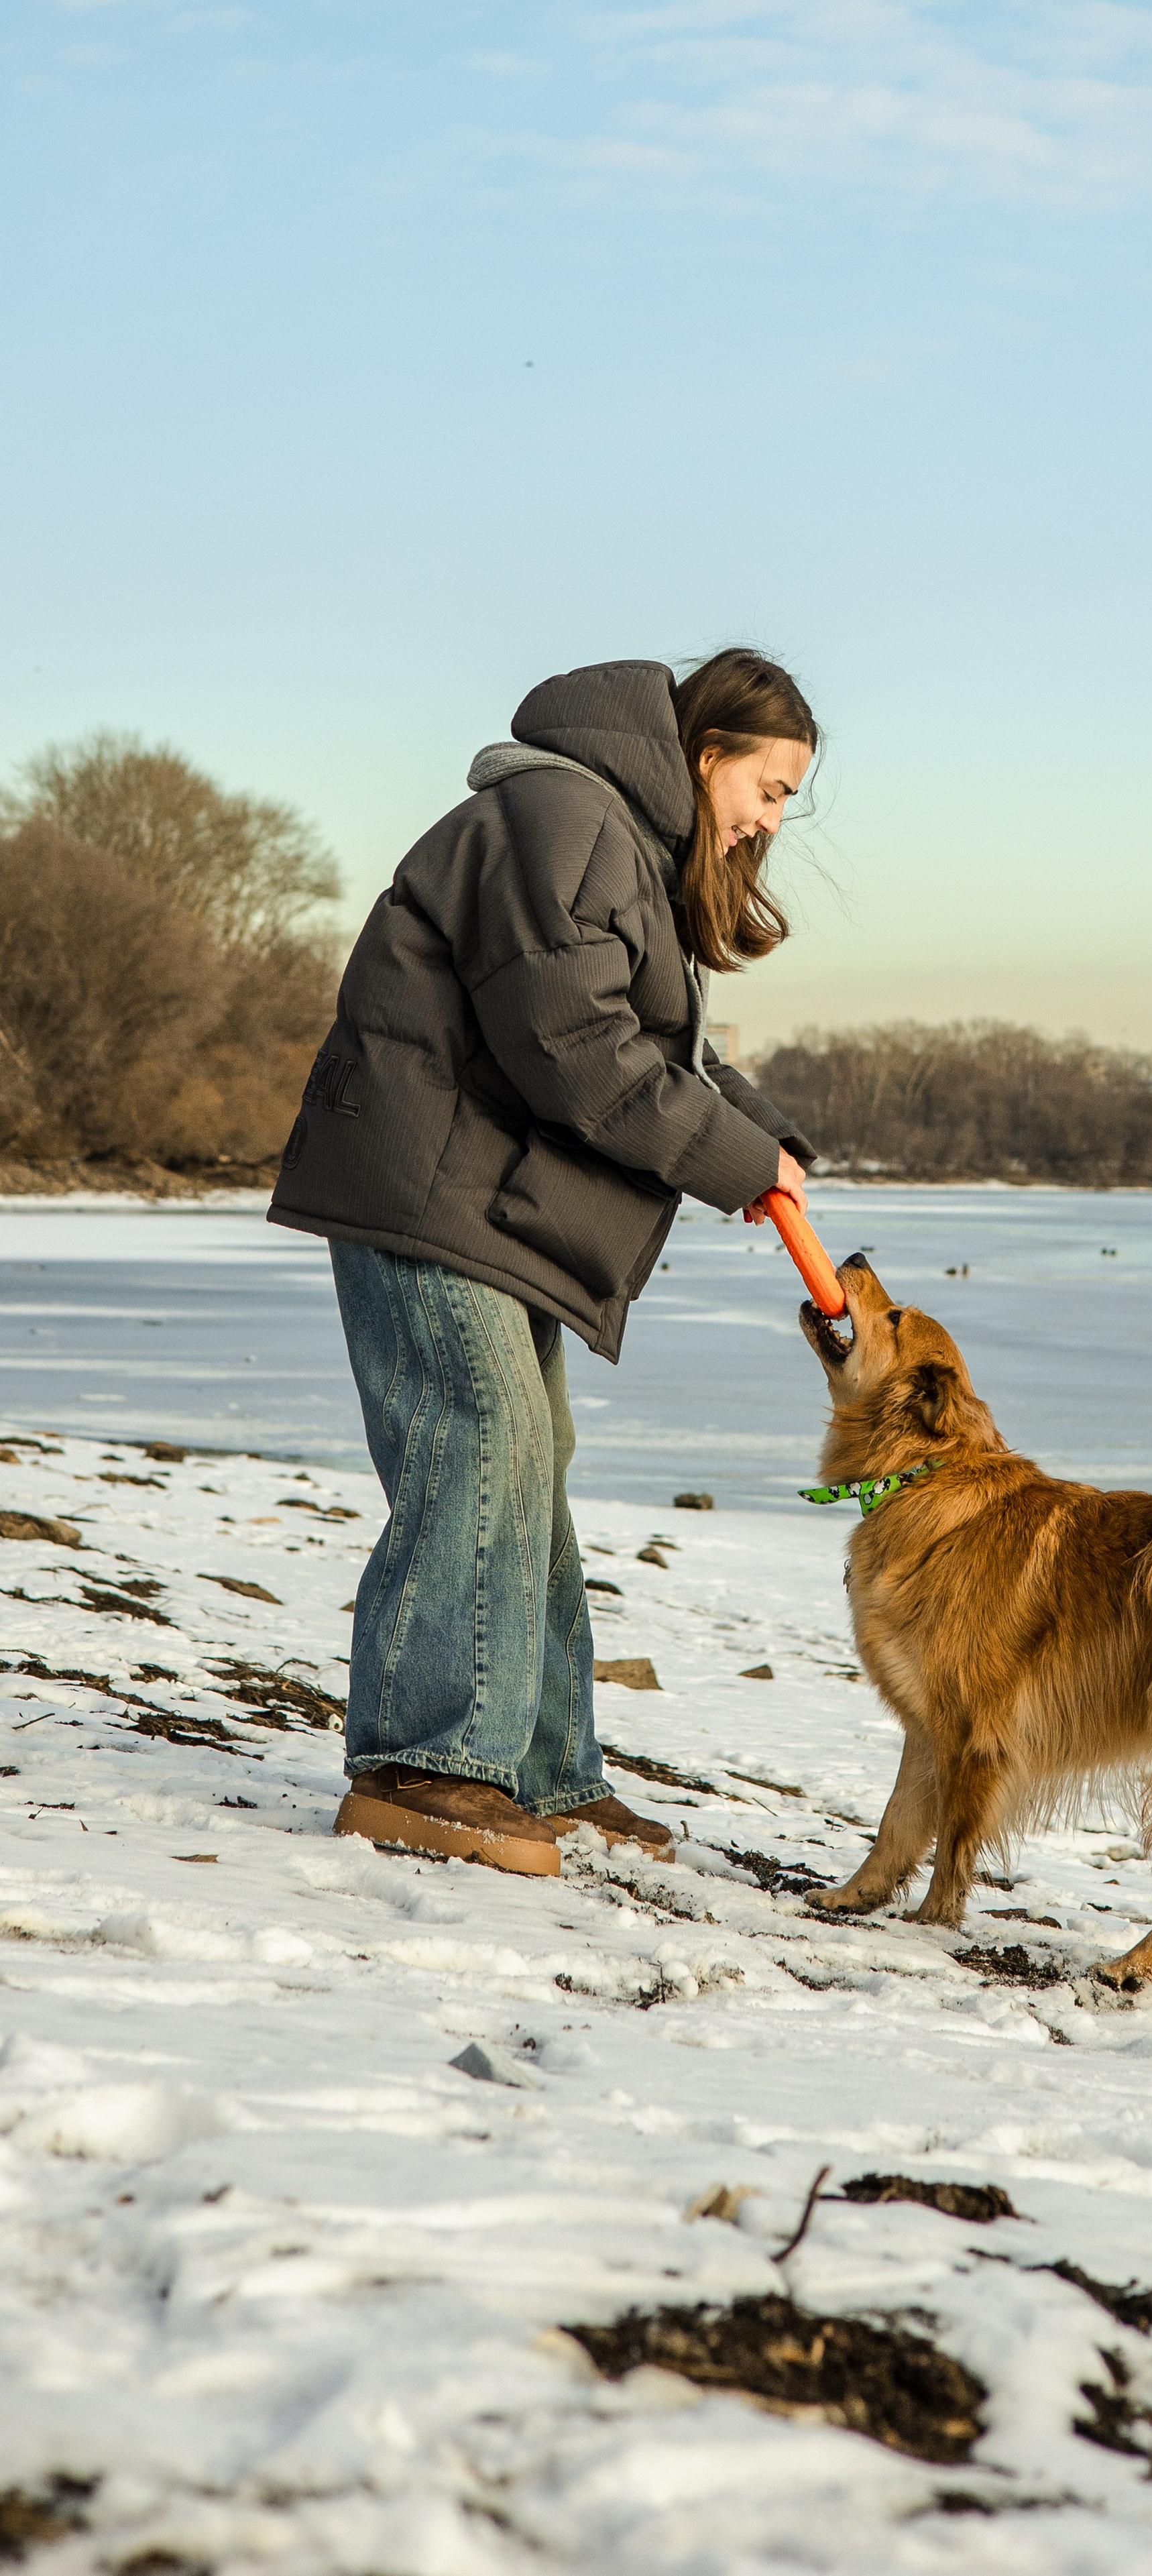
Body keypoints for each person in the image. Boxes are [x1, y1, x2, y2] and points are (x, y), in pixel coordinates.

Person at [269, 651, 819, 1876]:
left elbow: (651, 1044)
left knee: (531, 1457)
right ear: (710, 749)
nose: (770, 821)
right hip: (432, 1192)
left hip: (485, 1206)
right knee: (483, 1440)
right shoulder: (563, 813)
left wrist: (759, 1143)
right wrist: (727, 1160)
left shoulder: (607, 835)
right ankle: (425, 1768)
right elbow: (576, 1045)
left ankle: (539, 1767)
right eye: (772, 788)